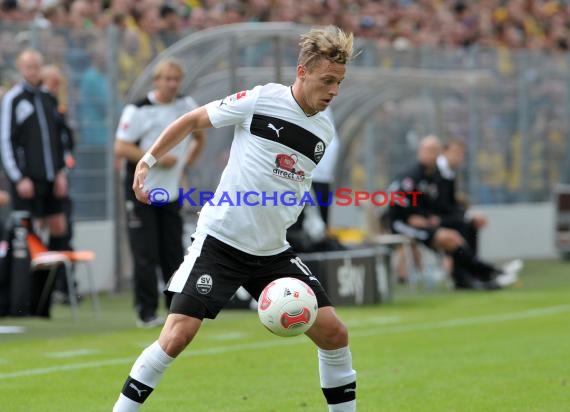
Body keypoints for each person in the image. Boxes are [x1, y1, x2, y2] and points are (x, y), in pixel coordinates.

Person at [112, 26, 357, 412]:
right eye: (328, 80)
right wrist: (148, 159)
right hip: (221, 242)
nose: (334, 91)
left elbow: (289, 183)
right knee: (177, 335)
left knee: (334, 333)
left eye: (339, 82)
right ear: (303, 72)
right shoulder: (261, 100)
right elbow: (192, 121)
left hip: (273, 252)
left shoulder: (323, 130)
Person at [114, 58, 206, 328]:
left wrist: (186, 163)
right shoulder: (139, 109)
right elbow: (121, 147)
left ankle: (175, 308)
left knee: (172, 251)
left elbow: (200, 136)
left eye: (176, 79)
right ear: (156, 81)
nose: (172, 84)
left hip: (171, 192)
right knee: (145, 252)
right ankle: (146, 312)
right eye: (166, 79)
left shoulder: (185, 105)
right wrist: (153, 158)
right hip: (142, 193)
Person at [387, 135, 520, 290]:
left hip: (424, 223)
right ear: (420, 152)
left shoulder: (433, 176)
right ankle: (483, 274)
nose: (432, 154)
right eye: (428, 150)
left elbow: (432, 203)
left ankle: (474, 276)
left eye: (435, 151)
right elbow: (397, 199)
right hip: (402, 224)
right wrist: (410, 215)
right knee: (450, 238)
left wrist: (427, 216)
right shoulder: (411, 176)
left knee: (455, 236)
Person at [0, 49, 69, 262]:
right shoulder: (14, 99)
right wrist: (19, 178)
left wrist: (60, 172)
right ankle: (28, 288)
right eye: (28, 66)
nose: (32, 71)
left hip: (51, 177)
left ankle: (56, 285)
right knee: (31, 229)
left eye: (36, 67)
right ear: (21, 69)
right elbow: (6, 140)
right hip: (28, 179)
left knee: (58, 225)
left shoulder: (48, 98)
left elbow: (60, 140)